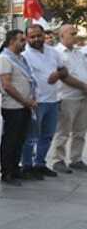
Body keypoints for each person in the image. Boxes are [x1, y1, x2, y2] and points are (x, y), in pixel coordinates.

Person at [21, 24, 67, 179]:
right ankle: (27, 166)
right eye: (32, 36)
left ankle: (40, 164)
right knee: (31, 136)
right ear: (27, 38)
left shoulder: (53, 52)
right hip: (36, 102)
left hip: (53, 100)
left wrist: (58, 74)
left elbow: (64, 70)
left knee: (47, 135)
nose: (36, 39)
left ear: (43, 35)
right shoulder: (24, 55)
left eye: (39, 35)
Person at [0, 30, 36, 185]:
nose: (24, 43)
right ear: (12, 41)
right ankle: (6, 172)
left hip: (24, 105)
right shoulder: (4, 58)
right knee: (10, 140)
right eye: (21, 40)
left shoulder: (20, 58)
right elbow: (7, 85)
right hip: (13, 107)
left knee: (20, 139)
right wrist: (25, 101)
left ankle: (15, 168)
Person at [51, 24, 87, 173]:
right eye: (72, 34)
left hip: (82, 97)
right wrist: (84, 86)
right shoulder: (56, 53)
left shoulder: (78, 53)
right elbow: (64, 77)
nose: (75, 36)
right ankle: (58, 160)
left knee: (80, 131)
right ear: (62, 35)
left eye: (75, 33)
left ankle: (76, 158)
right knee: (63, 131)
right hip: (67, 97)